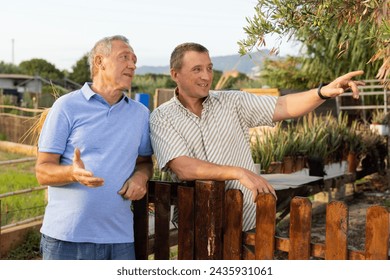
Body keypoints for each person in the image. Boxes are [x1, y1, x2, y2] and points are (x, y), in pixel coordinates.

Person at [149, 42, 364, 231]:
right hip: (196, 224)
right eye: (197, 69)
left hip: (246, 219)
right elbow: (182, 167)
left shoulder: (234, 102)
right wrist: (238, 172)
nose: (206, 76)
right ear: (175, 74)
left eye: (209, 68)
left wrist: (321, 93)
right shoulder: (162, 117)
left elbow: (283, 105)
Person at [35, 35, 153, 260]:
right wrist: (73, 173)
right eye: (124, 57)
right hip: (66, 239)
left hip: (120, 241)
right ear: (100, 62)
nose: (132, 65)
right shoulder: (66, 106)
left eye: (134, 60)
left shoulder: (140, 114)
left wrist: (141, 177)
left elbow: (145, 162)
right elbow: (42, 171)